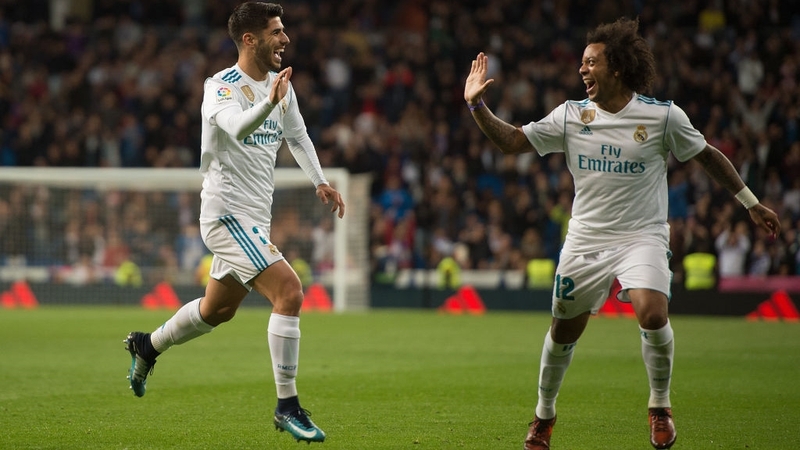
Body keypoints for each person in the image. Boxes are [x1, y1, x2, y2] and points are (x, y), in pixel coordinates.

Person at [463, 17, 780, 450]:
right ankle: (544, 414)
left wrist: (751, 202)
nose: (582, 70)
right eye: (581, 63)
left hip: (642, 235)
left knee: (653, 313)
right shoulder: (572, 116)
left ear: (616, 66)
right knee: (562, 332)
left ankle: (660, 406)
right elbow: (512, 142)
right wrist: (478, 107)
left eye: (591, 62)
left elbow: (706, 156)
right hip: (586, 240)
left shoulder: (663, 115)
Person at [124, 2, 345, 444]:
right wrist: (269, 101)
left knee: (216, 311)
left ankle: (147, 345)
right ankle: (288, 407)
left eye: (284, 31)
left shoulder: (281, 88)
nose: (285, 39)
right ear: (250, 39)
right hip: (226, 217)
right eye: (276, 32)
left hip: (254, 222)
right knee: (290, 291)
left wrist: (320, 181)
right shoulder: (219, 87)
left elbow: (297, 135)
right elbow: (240, 128)